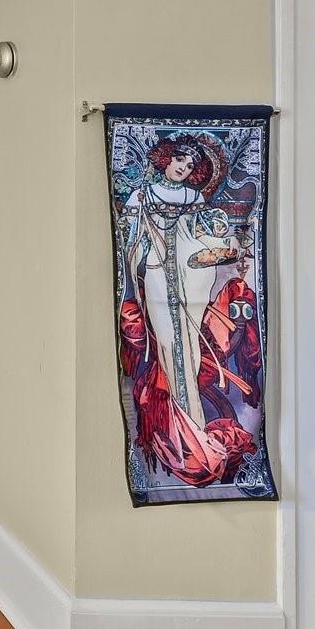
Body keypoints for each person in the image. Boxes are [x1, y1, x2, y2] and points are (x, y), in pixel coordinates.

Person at [115, 133, 258, 489]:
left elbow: (203, 234)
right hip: (157, 272)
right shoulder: (142, 195)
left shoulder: (193, 198)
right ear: (166, 159)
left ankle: (194, 421)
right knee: (165, 342)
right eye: (179, 159)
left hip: (191, 273)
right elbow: (130, 240)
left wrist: (214, 236)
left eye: (191, 165)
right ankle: (177, 419)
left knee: (191, 343)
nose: (183, 167)